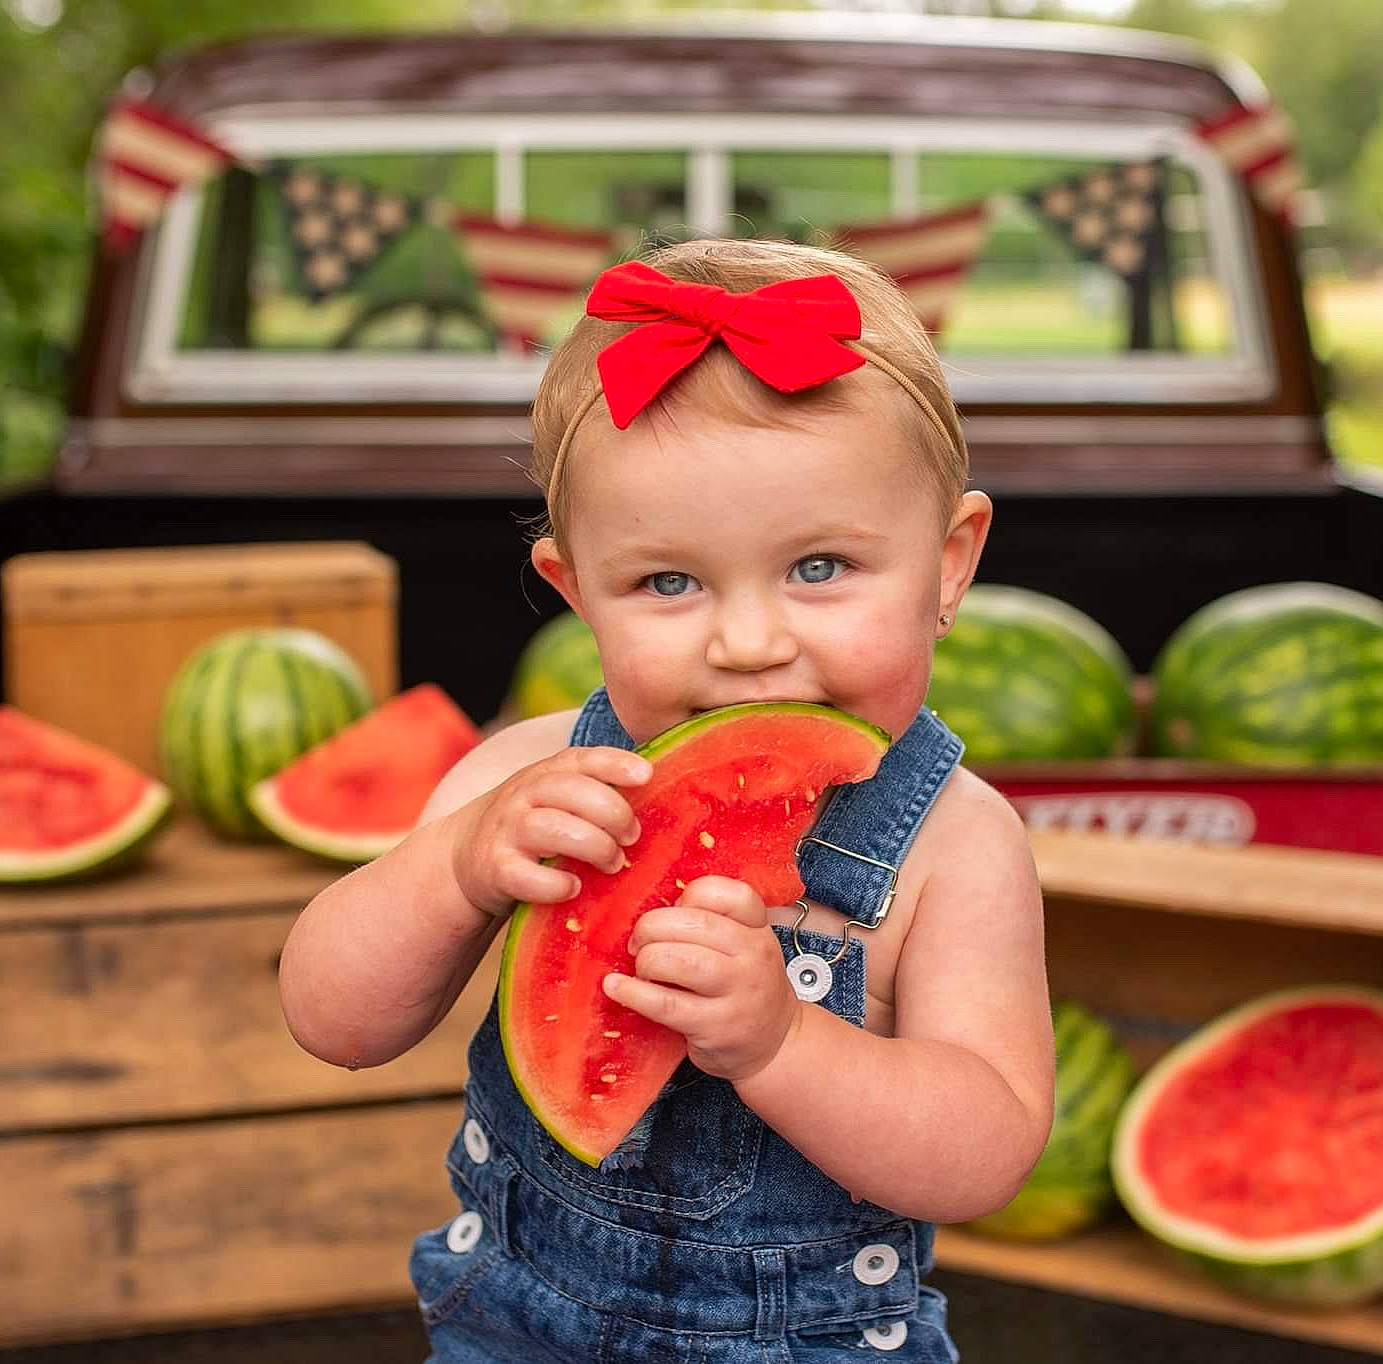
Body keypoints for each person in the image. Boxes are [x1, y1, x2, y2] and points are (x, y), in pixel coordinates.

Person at [279, 237, 1053, 1363]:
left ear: (947, 562)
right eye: (669, 582)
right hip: (515, 1326)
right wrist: (450, 869)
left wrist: (784, 1043)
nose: (748, 643)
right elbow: (334, 1024)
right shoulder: (521, 780)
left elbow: (984, 1148)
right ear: (576, 590)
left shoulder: (955, 846)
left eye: (821, 566)